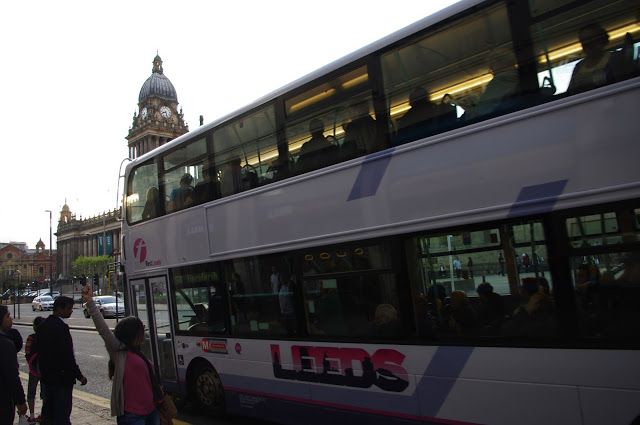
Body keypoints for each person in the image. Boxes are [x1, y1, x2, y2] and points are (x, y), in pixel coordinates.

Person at [82, 285, 163, 424]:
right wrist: (90, 302)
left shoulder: (139, 353)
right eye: (141, 329)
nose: (144, 331)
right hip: (132, 414)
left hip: (151, 410)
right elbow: (103, 329)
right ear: (133, 333)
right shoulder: (118, 351)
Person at [36, 296, 87, 425]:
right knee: (62, 415)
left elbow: (40, 354)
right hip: (62, 379)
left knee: (49, 413)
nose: (71, 311)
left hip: (47, 379)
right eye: (69, 308)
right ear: (60, 309)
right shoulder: (62, 328)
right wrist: (79, 376)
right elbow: (68, 356)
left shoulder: (42, 326)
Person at [465, 46, 519, 120]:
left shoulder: (500, 80)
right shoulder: (517, 76)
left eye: (492, 65)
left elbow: (482, 112)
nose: (491, 70)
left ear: (501, 63)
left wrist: (469, 109)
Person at [0, 305, 27, 425]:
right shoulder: (5, 344)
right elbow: (12, 376)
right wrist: (20, 401)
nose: (11, 319)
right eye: (8, 316)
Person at [568, 23, 613, 94]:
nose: (587, 45)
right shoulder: (579, 66)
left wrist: (588, 80)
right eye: (583, 42)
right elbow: (570, 92)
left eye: (591, 40)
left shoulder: (614, 58)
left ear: (602, 40)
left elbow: (620, 77)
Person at [25, 316, 45, 424]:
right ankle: (43, 415)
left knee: (31, 393)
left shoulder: (31, 338)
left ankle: (32, 416)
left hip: (33, 370)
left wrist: (31, 364)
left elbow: (27, 353)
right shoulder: (47, 338)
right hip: (45, 371)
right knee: (45, 393)